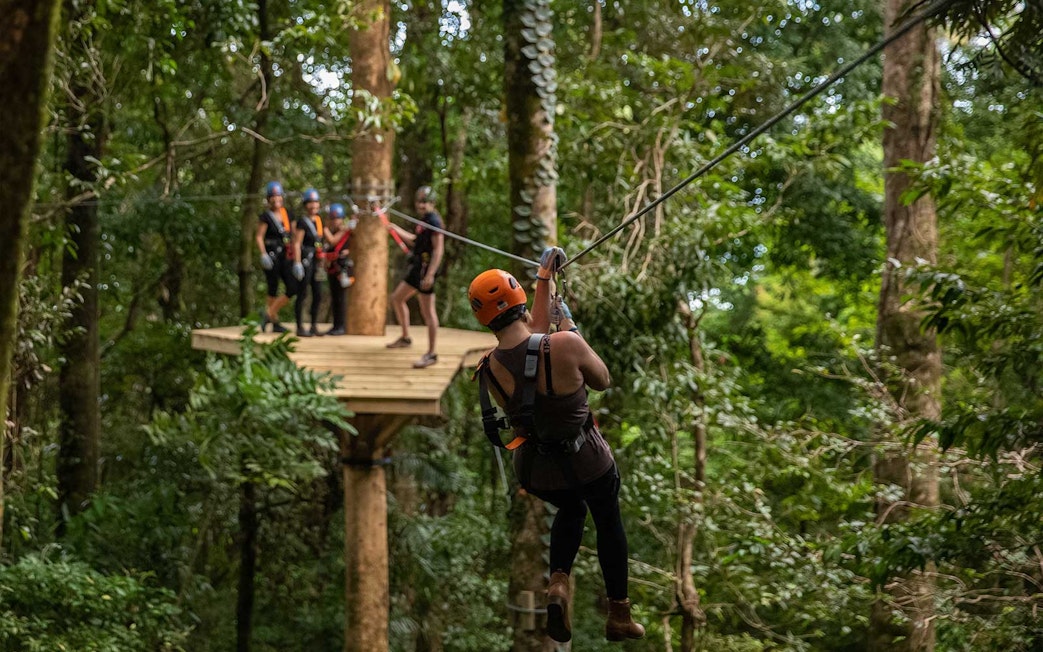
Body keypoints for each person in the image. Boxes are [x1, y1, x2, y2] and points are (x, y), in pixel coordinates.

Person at [468, 248, 645, 644]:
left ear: (482, 316)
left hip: (537, 470)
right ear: (518, 302)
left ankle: (558, 583)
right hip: (587, 460)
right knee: (606, 517)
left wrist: (544, 280)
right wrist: (571, 329)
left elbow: (527, 347)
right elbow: (602, 380)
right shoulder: (564, 343)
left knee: (570, 504)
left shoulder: (487, 369)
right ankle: (619, 613)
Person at [385, 186, 444, 369]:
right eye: (419, 202)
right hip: (417, 267)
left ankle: (432, 353)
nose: (422, 205)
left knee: (428, 312)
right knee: (397, 298)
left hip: (426, 269)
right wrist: (395, 229)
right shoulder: (424, 220)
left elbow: (438, 249)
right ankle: (405, 337)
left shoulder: (434, 221)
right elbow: (414, 241)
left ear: (432, 203)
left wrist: (431, 274)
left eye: (425, 202)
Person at [256, 180, 298, 332]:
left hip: (286, 255)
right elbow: (259, 236)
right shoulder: (265, 217)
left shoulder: (288, 215)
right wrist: (263, 254)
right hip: (272, 255)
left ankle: (268, 314)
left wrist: (296, 256)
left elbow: (294, 235)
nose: (276, 199)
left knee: (292, 287)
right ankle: (274, 322)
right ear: (268, 199)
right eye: (272, 196)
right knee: (272, 287)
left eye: (278, 196)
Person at [291, 188, 325, 337]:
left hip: (317, 261)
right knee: (302, 292)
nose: (313, 206)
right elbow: (297, 243)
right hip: (306, 259)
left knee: (317, 293)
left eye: (315, 202)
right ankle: (299, 326)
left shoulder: (319, 220)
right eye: (310, 203)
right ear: (306, 205)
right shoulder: (302, 222)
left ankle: (313, 325)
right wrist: (297, 262)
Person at [322, 202, 356, 336]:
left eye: (337, 218)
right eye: (332, 218)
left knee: (341, 297)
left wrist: (323, 227)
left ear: (342, 219)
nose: (335, 221)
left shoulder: (345, 231)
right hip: (333, 267)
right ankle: (336, 325)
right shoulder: (334, 230)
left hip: (343, 268)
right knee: (335, 297)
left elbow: (333, 241)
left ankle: (341, 325)